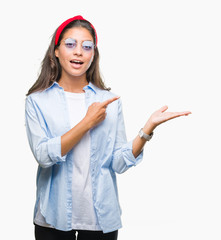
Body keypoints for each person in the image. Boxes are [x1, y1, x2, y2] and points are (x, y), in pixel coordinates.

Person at [25, 15, 191, 240]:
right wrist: (87, 123)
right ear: (56, 50)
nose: (78, 52)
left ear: (93, 54)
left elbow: (118, 162)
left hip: (101, 218)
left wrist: (147, 129)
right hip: (52, 217)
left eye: (87, 46)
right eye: (70, 44)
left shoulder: (110, 102)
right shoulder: (37, 100)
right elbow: (44, 156)